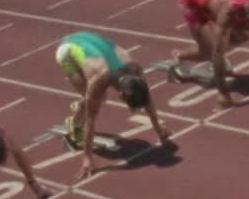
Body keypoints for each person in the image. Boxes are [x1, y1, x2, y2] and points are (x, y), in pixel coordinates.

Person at [55, 30, 172, 179]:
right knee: (96, 101)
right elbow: (91, 120)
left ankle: (84, 104)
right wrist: (87, 158)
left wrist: (158, 128)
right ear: (120, 95)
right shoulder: (99, 77)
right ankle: (75, 125)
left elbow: (146, 96)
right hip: (66, 51)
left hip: (86, 38)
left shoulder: (134, 67)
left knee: (97, 98)